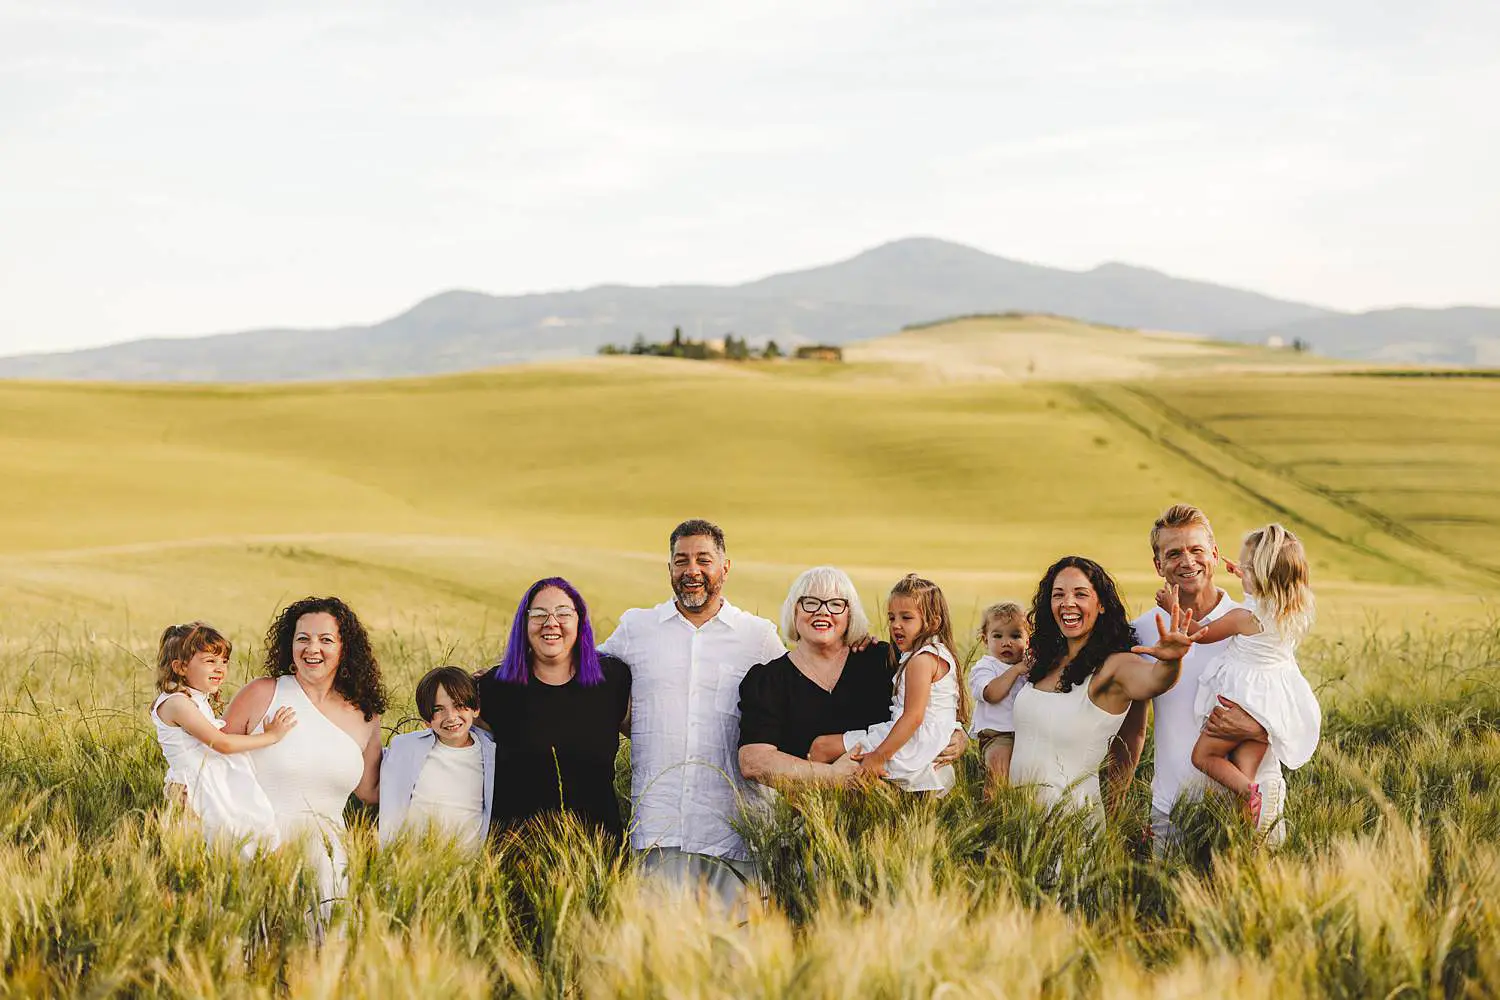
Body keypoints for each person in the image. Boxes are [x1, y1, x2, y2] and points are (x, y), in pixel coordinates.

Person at [599, 519, 786, 907]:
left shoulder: (758, 637)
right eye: (681, 561)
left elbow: (804, 700)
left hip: (738, 833)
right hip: (659, 830)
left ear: (725, 567)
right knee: (660, 957)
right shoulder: (637, 628)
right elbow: (576, 673)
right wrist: (483, 686)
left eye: (704, 559)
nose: (692, 571)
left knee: (739, 956)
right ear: (669, 569)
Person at [1110, 504, 1291, 852]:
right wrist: (1116, 807)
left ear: (1215, 554)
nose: (1187, 561)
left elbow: (1293, 707)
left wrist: (1253, 727)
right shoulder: (1143, 631)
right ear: (1158, 565)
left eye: (1196, 550)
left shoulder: (1257, 623)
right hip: (1172, 809)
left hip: (1254, 805)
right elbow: (1132, 730)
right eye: (1173, 553)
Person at [223, 597, 385, 920]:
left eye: (325, 639)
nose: (313, 648)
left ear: (344, 648)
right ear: (290, 645)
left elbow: (371, 792)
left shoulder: (366, 715)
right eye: (303, 638)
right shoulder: (261, 694)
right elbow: (214, 758)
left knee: (319, 957)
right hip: (256, 845)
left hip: (327, 859)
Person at [737, 566, 967, 788]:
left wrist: (958, 737)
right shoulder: (768, 681)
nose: (823, 611)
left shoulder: (885, 659)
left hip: (892, 816)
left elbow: (936, 705)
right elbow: (753, 762)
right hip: (813, 818)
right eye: (810, 602)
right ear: (794, 610)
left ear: (850, 614)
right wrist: (832, 776)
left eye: (836, 604)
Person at [1009, 556, 1193, 828]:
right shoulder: (1045, 661)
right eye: (1058, 594)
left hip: (1072, 824)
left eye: (1080, 594)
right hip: (1018, 821)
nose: (1067, 603)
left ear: (1102, 604)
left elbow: (1155, 680)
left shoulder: (1114, 665)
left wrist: (1171, 660)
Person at [478, 577, 631, 845]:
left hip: (597, 855)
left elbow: (652, 737)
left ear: (580, 621)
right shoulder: (494, 688)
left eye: (563, 613)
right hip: (517, 861)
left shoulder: (613, 681)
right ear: (523, 624)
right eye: (538, 614)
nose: (551, 623)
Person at [1189, 524, 1322, 825]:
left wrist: (1172, 609)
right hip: (1269, 706)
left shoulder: (1243, 618)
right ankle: (1250, 817)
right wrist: (1245, 572)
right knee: (1245, 769)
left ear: (1262, 576)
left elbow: (1201, 634)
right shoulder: (1289, 613)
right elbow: (1261, 592)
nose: (1240, 572)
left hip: (1239, 699)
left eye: (1246, 568)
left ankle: (1250, 795)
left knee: (1203, 757)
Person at [808, 574, 968, 792]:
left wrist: (878, 757)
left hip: (913, 743)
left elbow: (913, 717)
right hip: (917, 735)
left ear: (933, 622)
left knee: (821, 748)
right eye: (892, 618)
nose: (896, 626)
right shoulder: (935, 653)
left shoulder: (921, 660)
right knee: (822, 747)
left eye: (906, 618)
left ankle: (812, 817)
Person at [150, 622, 292, 857]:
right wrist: (271, 736)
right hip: (195, 791)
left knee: (238, 842)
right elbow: (222, 743)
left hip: (207, 782)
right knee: (213, 849)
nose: (220, 668)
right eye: (210, 661)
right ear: (181, 667)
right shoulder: (177, 703)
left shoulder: (194, 699)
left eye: (224, 661)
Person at [379, 666, 496, 850]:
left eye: (459, 705)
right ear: (426, 720)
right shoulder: (404, 748)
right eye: (438, 709)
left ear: (476, 708)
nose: (451, 717)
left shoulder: (491, 753)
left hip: (469, 869)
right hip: (412, 865)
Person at [968, 601, 1030, 790]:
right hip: (998, 735)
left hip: (1027, 735)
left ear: (1028, 641)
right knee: (999, 766)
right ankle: (994, 812)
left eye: (1015, 635)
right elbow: (992, 694)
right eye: (997, 636)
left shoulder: (1030, 668)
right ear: (985, 640)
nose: (1006, 642)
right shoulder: (986, 667)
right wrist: (1017, 670)